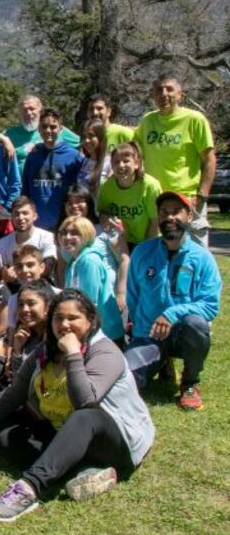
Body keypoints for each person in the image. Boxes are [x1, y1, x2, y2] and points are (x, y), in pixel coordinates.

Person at [0, 290, 154, 523]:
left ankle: (29, 488)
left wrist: (73, 353)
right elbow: (14, 394)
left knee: (84, 417)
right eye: (58, 318)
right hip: (69, 430)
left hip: (118, 440)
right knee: (10, 439)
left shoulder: (104, 351)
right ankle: (85, 471)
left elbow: (84, 402)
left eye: (73, 318)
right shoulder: (47, 349)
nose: (64, 325)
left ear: (90, 321)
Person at [124, 191, 221, 410]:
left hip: (184, 335)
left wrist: (171, 314)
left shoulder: (202, 258)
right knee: (125, 381)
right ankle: (162, 361)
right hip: (150, 334)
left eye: (176, 211)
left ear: (189, 216)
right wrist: (140, 332)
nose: (170, 217)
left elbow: (210, 304)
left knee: (196, 323)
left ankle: (190, 382)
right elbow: (133, 297)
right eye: (164, 212)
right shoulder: (142, 252)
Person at [134, 74, 215, 246]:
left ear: (180, 95)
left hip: (187, 199)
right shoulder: (147, 121)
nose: (164, 94)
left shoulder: (194, 120)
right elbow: (135, 154)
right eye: (159, 90)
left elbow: (209, 160)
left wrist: (201, 195)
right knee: (160, 252)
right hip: (157, 200)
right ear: (153, 95)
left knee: (195, 252)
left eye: (169, 89)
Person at [58, 216, 124, 344]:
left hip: (104, 334)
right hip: (87, 330)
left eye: (74, 233)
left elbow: (90, 302)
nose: (67, 237)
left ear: (86, 235)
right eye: (63, 233)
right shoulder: (73, 262)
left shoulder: (89, 261)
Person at [22, 108, 84, 231]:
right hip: (36, 224)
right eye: (44, 127)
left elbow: (80, 191)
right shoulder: (33, 156)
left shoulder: (73, 156)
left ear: (60, 128)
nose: (48, 130)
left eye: (53, 127)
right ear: (39, 129)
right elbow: (25, 189)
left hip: (64, 224)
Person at [97, 142, 161, 248]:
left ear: (136, 164)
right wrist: (106, 218)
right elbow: (102, 213)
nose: (121, 165)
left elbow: (156, 221)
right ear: (111, 165)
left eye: (126, 161)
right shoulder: (106, 187)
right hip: (119, 240)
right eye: (116, 162)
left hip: (147, 240)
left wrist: (147, 249)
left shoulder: (150, 186)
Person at [4, 94, 80, 173]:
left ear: (40, 110)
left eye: (32, 109)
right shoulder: (10, 133)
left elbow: (82, 143)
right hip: (20, 180)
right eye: (24, 110)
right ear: (20, 112)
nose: (28, 113)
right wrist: (4, 139)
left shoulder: (54, 129)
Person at [0, 197, 56, 283]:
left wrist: (22, 274)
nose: (20, 217)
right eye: (16, 214)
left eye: (25, 213)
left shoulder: (47, 237)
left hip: (41, 285)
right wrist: (4, 273)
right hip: (12, 287)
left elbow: (49, 266)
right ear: (11, 217)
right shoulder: (3, 242)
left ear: (35, 216)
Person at [77, 118, 110, 195]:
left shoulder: (110, 163)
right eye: (84, 137)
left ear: (101, 137)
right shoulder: (83, 162)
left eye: (91, 136)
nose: (86, 140)